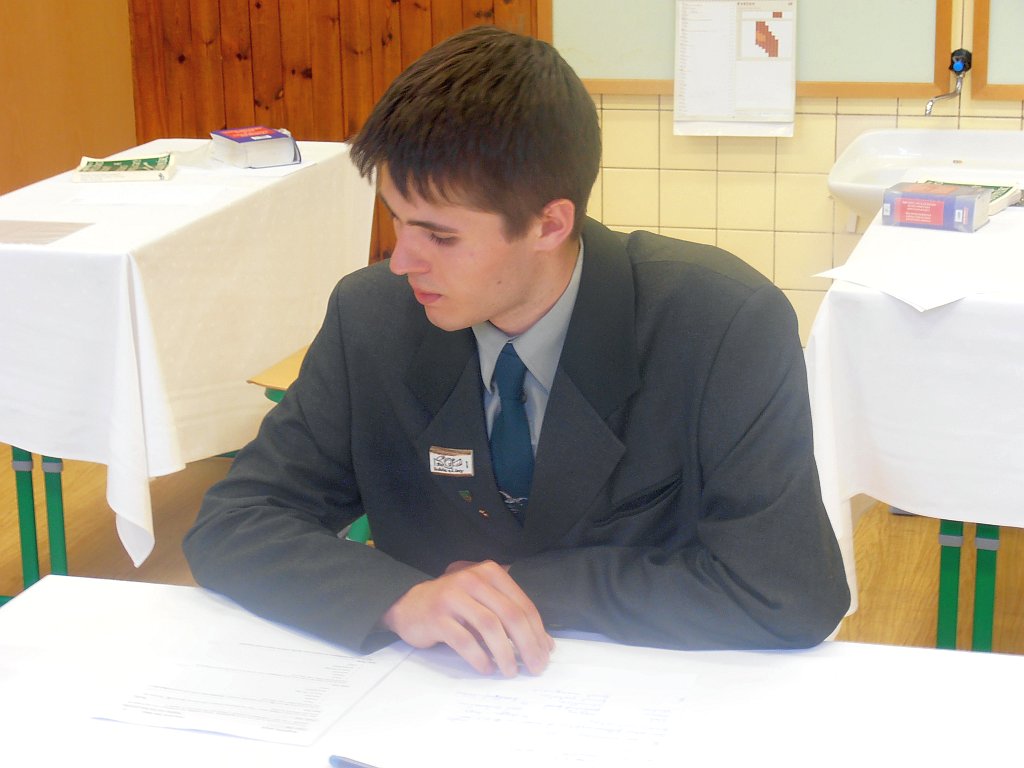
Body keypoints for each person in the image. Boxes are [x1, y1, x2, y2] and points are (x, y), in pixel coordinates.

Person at [184, 26, 850, 678]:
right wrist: (401, 598)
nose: (402, 261)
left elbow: (789, 594)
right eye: (395, 219)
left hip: (649, 693)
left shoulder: (719, 325)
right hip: (429, 697)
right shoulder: (372, 319)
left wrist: (519, 590)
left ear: (549, 224)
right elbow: (234, 522)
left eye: (440, 236)